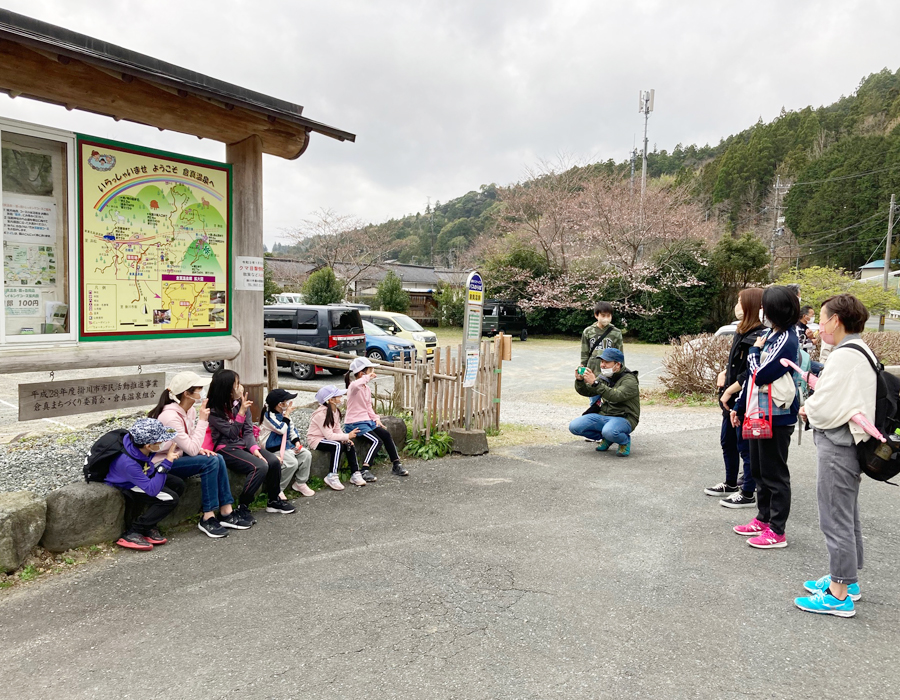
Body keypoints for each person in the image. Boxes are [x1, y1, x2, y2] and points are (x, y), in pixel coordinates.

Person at [795, 294, 875, 617]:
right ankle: (848, 580)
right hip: (851, 446)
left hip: (837, 445)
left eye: (823, 319)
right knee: (846, 512)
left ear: (836, 321)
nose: (819, 326)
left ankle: (838, 593)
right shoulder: (858, 349)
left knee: (834, 516)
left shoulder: (845, 356)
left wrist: (806, 408)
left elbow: (825, 404)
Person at [731, 285, 800, 549]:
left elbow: (760, 374)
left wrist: (753, 353)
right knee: (760, 470)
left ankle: (777, 531)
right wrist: (739, 407)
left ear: (775, 310)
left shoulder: (787, 339)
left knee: (775, 474)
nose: (762, 311)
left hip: (777, 416)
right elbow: (753, 379)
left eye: (765, 307)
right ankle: (763, 518)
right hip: (757, 412)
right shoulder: (773, 334)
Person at [149, 371, 253, 537]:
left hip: (177, 456)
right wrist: (203, 421)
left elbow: (189, 442)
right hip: (161, 463)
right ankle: (208, 516)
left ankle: (226, 511)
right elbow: (190, 447)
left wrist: (199, 449)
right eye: (199, 389)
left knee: (216, 457)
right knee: (210, 462)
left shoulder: (189, 410)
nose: (202, 392)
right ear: (187, 394)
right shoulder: (170, 416)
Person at [206, 369, 295, 519]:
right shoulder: (214, 409)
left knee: (272, 461)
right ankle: (243, 505)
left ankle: (273, 500)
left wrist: (254, 449)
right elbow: (231, 433)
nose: (240, 387)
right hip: (225, 448)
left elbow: (248, 431)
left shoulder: (240, 403)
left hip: (243, 444)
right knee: (259, 466)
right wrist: (241, 413)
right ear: (227, 388)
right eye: (237, 384)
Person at [705, 288, 765, 507]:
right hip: (730, 398)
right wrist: (724, 373)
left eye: (740, 302)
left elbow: (751, 370)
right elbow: (736, 363)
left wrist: (731, 389)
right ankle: (731, 483)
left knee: (745, 446)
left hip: (745, 399)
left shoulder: (759, 334)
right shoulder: (742, 330)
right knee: (727, 442)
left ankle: (747, 491)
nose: (737, 305)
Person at [104, 417, 184, 551]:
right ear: (148, 445)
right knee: (170, 499)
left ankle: (149, 525)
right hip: (126, 484)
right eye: (161, 440)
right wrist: (167, 462)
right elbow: (151, 490)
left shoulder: (141, 446)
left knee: (178, 484)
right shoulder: (128, 462)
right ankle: (133, 531)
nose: (164, 442)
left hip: (142, 473)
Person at [568, 347, 640, 456]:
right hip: (605, 415)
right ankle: (608, 438)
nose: (602, 365)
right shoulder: (605, 377)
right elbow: (588, 392)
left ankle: (624, 441)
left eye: (607, 362)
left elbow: (616, 396)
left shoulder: (630, 380)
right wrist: (580, 381)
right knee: (574, 426)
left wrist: (596, 383)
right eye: (602, 361)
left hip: (624, 418)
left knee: (609, 431)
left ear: (618, 364)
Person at [344, 356, 408, 478]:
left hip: (367, 421)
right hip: (354, 423)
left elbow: (368, 406)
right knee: (376, 440)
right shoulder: (353, 387)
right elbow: (358, 384)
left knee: (386, 435)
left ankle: (396, 464)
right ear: (362, 373)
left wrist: (376, 418)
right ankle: (365, 469)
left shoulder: (366, 388)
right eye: (370, 370)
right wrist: (367, 377)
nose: (373, 373)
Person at [259, 388, 315, 497]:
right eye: (286, 401)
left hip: (286, 446)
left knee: (306, 455)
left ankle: (300, 482)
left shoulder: (284, 414)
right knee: (292, 463)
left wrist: (297, 442)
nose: (288, 404)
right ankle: (277, 489)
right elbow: (282, 429)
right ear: (280, 404)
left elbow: (292, 429)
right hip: (273, 448)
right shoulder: (269, 416)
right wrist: (287, 415)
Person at [307, 385, 359, 490]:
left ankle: (355, 473)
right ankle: (332, 475)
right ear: (331, 400)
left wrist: (346, 439)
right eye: (338, 396)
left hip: (326, 438)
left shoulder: (335, 411)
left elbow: (337, 429)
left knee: (348, 444)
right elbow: (329, 436)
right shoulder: (321, 414)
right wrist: (347, 435)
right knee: (337, 445)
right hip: (316, 440)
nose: (341, 397)